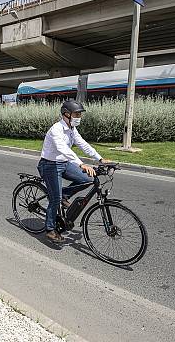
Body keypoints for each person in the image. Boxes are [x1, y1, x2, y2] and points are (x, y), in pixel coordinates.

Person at [38, 100, 111, 243]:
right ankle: (50, 229)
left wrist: (100, 159)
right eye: (77, 114)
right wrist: (81, 164)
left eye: (80, 114)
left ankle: (64, 196)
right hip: (50, 165)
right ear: (66, 114)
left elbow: (83, 144)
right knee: (55, 200)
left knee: (88, 179)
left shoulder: (72, 129)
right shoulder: (56, 130)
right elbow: (63, 149)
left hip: (64, 163)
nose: (79, 117)